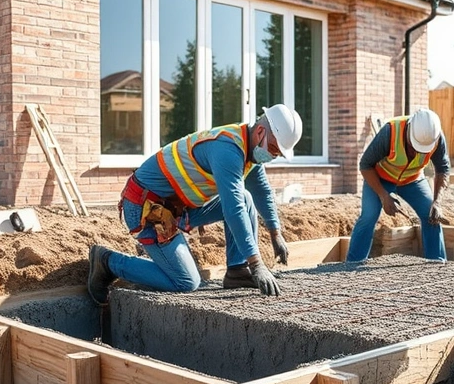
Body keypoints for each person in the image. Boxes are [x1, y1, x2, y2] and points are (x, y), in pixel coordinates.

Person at [87, 104, 303, 302]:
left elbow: (261, 190)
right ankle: (108, 262)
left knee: (247, 197)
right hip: (147, 208)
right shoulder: (228, 149)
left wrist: (276, 233)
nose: (274, 156)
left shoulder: (250, 150)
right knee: (186, 281)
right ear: (260, 132)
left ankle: (237, 271)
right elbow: (233, 208)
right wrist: (257, 264)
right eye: (274, 150)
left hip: (179, 208)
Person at [346, 108, 450, 262]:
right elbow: (365, 165)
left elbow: (443, 169)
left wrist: (437, 202)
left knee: (431, 214)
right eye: (414, 145)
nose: (416, 151)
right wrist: (383, 195)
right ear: (409, 129)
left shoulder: (436, 138)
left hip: (412, 179)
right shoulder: (390, 131)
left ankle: (437, 263)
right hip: (380, 177)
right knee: (369, 216)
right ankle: (353, 262)